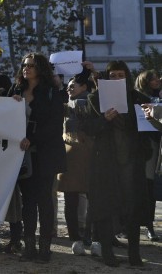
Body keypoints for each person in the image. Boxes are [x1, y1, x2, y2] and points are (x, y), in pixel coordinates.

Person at [85, 61, 151, 267]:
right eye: (112, 75)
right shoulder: (95, 98)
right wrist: (104, 119)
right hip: (106, 163)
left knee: (133, 209)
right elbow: (88, 128)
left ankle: (134, 254)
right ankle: (107, 252)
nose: (116, 79)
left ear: (127, 77)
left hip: (132, 163)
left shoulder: (138, 99)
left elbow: (149, 131)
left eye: (120, 75)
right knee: (105, 208)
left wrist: (152, 115)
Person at [7, 53, 66, 263]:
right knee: (28, 203)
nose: (26, 68)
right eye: (24, 65)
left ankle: (45, 249)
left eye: (31, 65)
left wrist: (31, 139)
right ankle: (29, 247)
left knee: (44, 202)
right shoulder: (15, 90)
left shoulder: (51, 92)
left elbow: (54, 125)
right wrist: (4, 101)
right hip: (22, 156)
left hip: (45, 154)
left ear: (40, 69)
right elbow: (4, 116)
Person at [58, 74, 94, 255]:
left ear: (84, 88)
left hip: (86, 154)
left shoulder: (88, 103)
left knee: (89, 198)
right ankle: (77, 238)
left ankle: (86, 236)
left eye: (73, 86)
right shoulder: (66, 104)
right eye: (68, 86)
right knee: (71, 199)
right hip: (70, 155)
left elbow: (81, 109)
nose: (69, 88)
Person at [135, 70, 161, 242]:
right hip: (142, 146)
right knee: (141, 187)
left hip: (156, 145)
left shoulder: (158, 97)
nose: (157, 80)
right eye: (153, 79)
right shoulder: (138, 99)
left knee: (150, 188)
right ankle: (135, 224)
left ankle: (149, 225)